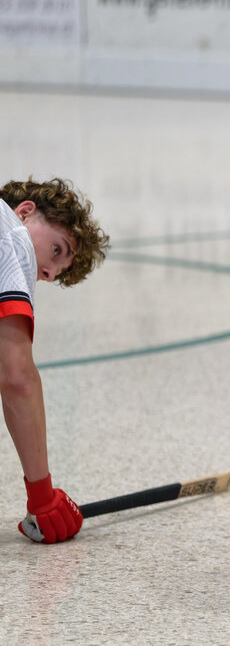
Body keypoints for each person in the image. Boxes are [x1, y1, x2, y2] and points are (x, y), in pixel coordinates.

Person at [1, 177, 108, 544]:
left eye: (56, 274)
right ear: (26, 211)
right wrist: (42, 496)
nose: (47, 272)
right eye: (58, 251)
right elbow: (16, 377)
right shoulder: (11, 238)